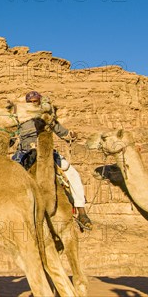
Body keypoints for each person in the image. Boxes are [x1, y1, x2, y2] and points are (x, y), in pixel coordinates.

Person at [15, 91, 93, 231]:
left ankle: (82, 212)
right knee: (10, 177)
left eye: (36, 101)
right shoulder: (20, 121)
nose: (34, 104)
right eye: (31, 102)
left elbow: (64, 133)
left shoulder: (48, 118)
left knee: (73, 174)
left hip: (47, 152)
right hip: (25, 152)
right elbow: (11, 138)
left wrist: (71, 135)